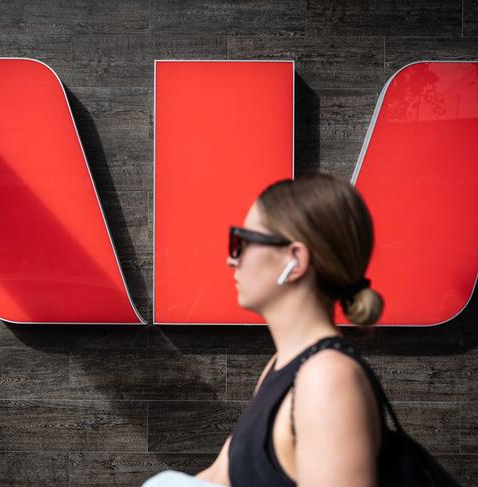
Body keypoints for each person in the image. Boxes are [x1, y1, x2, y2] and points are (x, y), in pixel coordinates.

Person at [143, 172, 384, 487]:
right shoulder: (282, 365)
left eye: (242, 242)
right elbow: (219, 476)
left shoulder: (327, 378)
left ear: (294, 260)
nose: (232, 260)